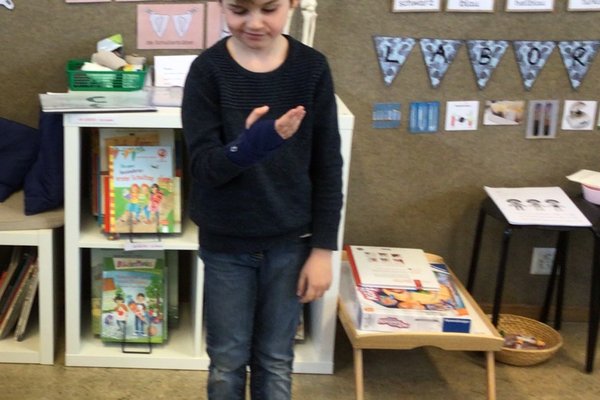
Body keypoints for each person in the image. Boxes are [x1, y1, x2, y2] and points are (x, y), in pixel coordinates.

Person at [181, 0, 343, 399]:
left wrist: (323, 250)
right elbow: (203, 168)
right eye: (239, 10)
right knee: (227, 361)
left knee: (275, 359)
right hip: (226, 244)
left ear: (291, 3)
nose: (254, 23)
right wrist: (252, 145)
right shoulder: (207, 71)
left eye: (269, 9)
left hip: (291, 243)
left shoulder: (312, 68)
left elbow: (328, 167)